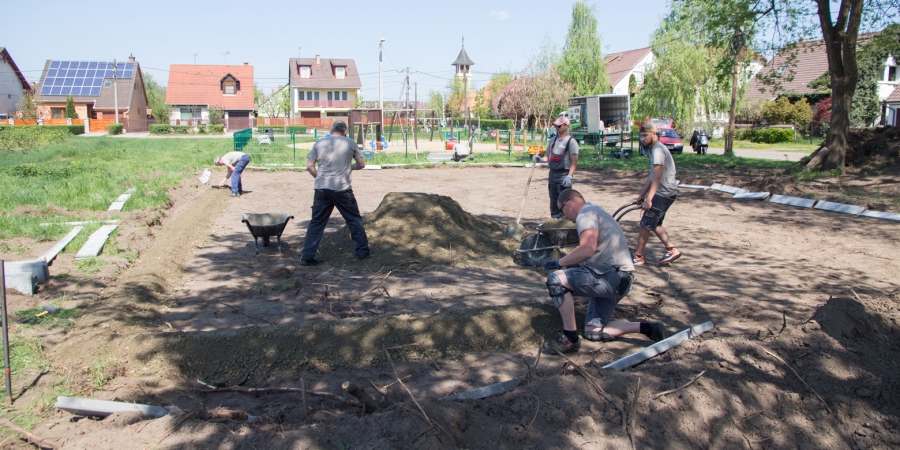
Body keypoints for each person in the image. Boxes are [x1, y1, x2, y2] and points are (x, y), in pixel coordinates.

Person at [541, 189, 669, 355]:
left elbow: (587, 249)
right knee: (592, 331)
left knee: (556, 280)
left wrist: (559, 262)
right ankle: (647, 328)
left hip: (612, 276)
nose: (564, 217)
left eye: (561, 211)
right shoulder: (595, 210)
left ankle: (569, 338)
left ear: (568, 204)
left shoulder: (585, 215)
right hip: (621, 278)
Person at [300, 121, 372, 266]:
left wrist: (320, 178)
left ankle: (307, 256)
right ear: (345, 131)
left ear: (331, 130)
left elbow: (309, 166)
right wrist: (347, 167)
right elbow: (361, 164)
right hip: (342, 189)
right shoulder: (350, 143)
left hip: (321, 189)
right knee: (353, 220)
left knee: (317, 223)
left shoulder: (320, 143)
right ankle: (363, 252)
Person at [633, 122, 681, 266]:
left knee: (646, 223)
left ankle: (638, 256)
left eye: (646, 135)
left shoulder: (658, 150)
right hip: (666, 192)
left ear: (654, 134)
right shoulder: (655, 149)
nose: (643, 138)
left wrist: (649, 199)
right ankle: (671, 249)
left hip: (664, 192)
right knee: (655, 223)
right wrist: (642, 195)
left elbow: (658, 177)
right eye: (641, 136)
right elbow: (652, 175)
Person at [534, 115, 579, 218]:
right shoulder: (553, 140)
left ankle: (565, 222)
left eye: (559, 126)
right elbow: (547, 157)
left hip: (563, 175)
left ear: (566, 126)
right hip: (552, 175)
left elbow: (574, 161)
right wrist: (540, 159)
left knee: (565, 202)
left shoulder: (571, 142)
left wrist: (569, 176)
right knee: (553, 200)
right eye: (556, 126)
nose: (557, 128)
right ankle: (554, 221)